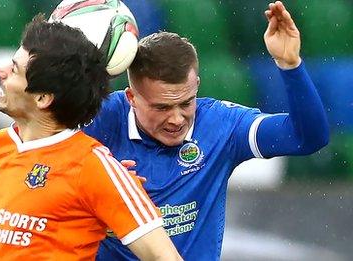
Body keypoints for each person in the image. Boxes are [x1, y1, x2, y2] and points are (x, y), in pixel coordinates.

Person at [0, 14, 182, 260]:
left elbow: (163, 256)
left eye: (15, 69)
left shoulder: (94, 166)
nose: (0, 72)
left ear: (43, 98)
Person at [85, 1, 330, 260]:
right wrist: (95, 179)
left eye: (186, 102)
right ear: (131, 97)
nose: (177, 119)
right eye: (162, 107)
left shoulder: (220, 125)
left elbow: (308, 138)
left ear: (197, 85)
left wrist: (290, 65)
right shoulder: (97, 119)